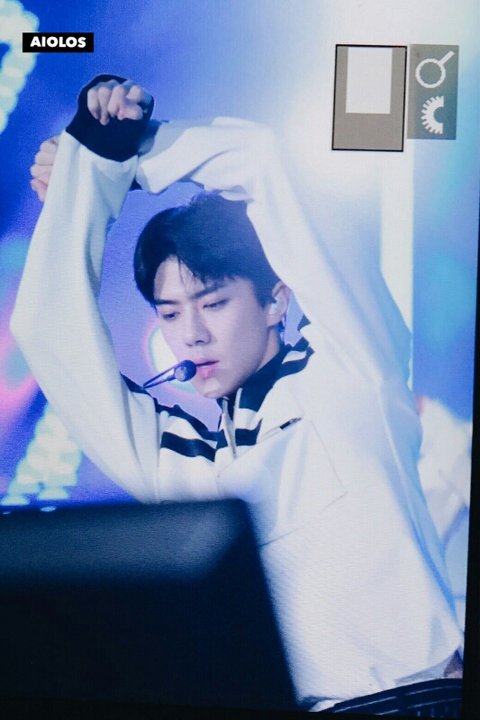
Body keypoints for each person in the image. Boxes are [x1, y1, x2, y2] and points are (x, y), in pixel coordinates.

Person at [12, 75, 463, 713]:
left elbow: (263, 162)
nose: (191, 333)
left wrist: (134, 151)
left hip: (424, 702)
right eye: (170, 313)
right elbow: (48, 330)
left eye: (214, 302)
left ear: (276, 301)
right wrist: (88, 172)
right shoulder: (180, 463)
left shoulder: (350, 367)